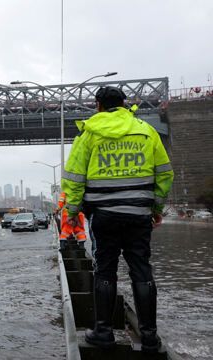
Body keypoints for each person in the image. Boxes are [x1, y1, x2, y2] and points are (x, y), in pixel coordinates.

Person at [61, 86, 174, 352]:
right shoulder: (146, 132)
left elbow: (74, 178)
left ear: (97, 104)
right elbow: (165, 174)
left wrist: (74, 211)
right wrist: (156, 208)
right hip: (138, 216)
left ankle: (103, 332)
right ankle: (149, 337)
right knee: (142, 271)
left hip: (104, 216)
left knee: (105, 270)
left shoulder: (89, 133)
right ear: (125, 105)